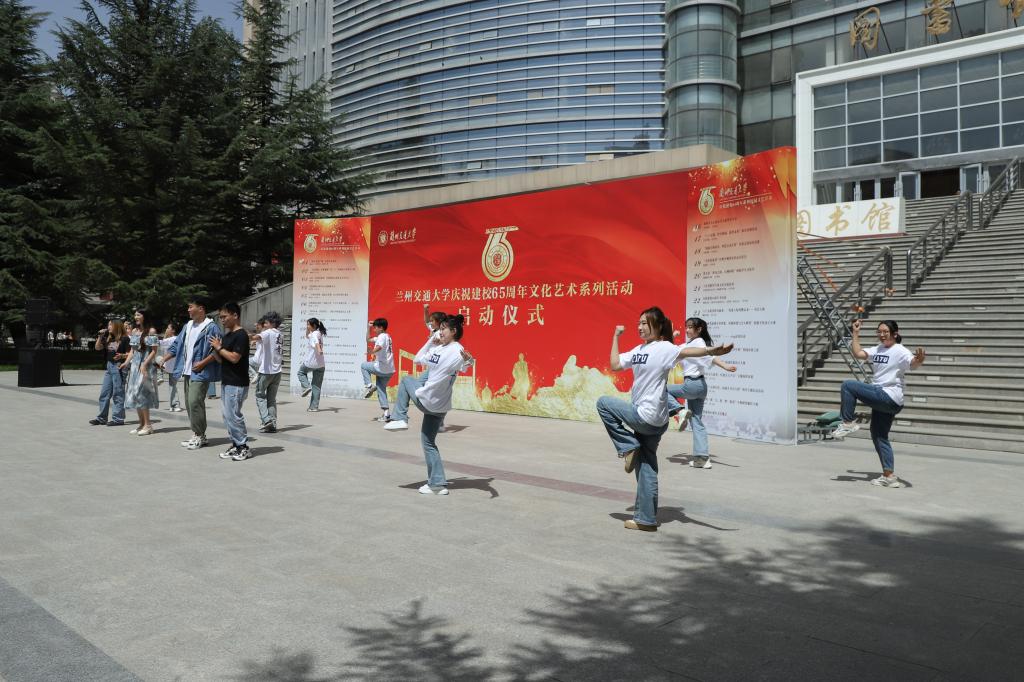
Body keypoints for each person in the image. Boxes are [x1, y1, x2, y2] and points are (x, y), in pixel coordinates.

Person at [597, 307, 733, 532]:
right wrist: (615, 337)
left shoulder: (665, 348)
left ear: (658, 326)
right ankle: (645, 519)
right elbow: (614, 365)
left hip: (645, 415)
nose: (640, 327)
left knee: (603, 403)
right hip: (657, 421)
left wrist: (713, 350)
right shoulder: (639, 350)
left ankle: (628, 446)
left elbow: (689, 352)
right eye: (639, 323)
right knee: (647, 466)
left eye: (645, 323)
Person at [831, 319, 926, 488]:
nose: (882, 335)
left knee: (848, 386)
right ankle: (889, 476)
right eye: (879, 332)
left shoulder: (900, 350)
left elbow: (913, 362)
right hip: (888, 401)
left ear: (895, 334)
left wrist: (919, 359)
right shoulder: (877, 349)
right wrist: (856, 333)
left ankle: (847, 422)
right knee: (879, 435)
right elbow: (858, 353)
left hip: (888, 395)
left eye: (885, 332)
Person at [388, 314, 473, 496]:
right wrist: (431, 342)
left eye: (443, 329)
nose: (440, 332)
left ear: (453, 331)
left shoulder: (456, 350)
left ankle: (400, 417)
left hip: (428, 400)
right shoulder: (440, 349)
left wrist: (468, 360)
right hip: (440, 407)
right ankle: (437, 484)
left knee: (406, 380)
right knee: (428, 443)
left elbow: (467, 364)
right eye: (439, 329)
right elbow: (417, 359)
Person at [665, 318, 737, 469]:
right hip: (701, 387)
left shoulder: (698, 343)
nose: (687, 330)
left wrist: (724, 365)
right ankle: (702, 458)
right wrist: (672, 337)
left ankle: (680, 410)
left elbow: (711, 356)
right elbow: (670, 352)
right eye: (686, 327)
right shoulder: (689, 345)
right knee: (697, 422)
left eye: (690, 327)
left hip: (691, 385)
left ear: (699, 330)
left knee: (661, 389)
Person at [160, 298, 221, 450]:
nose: (188, 310)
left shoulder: (211, 327)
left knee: (194, 402)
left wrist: (202, 363)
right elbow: (176, 345)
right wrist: (164, 359)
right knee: (189, 404)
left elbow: (217, 351)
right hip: (187, 371)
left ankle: (199, 435)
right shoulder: (188, 326)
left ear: (201, 309)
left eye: (190, 307)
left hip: (201, 371)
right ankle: (198, 434)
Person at [383, 305, 447, 431]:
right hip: (432, 369)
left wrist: (439, 341)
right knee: (430, 391)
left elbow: (446, 342)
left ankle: (400, 418)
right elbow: (426, 321)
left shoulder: (441, 333)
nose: (430, 322)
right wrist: (426, 311)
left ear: (439, 322)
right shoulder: (435, 330)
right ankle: (438, 423)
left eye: (433, 321)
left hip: (437, 369)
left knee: (410, 383)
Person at [211, 302, 252, 461]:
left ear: (235, 315)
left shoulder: (241, 335)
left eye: (224, 316)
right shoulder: (227, 336)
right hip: (227, 381)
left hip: (237, 382)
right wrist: (215, 350)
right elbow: (223, 360)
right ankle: (236, 444)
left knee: (233, 415)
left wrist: (219, 348)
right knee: (227, 415)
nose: (222, 320)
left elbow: (235, 358)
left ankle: (243, 447)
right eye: (220, 317)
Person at [123, 312, 160, 436]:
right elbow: (132, 351)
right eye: (135, 315)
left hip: (146, 367)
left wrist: (144, 364)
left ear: (144, 316)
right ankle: (141, 424)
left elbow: (154, 351)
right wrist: (126, 363)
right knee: (135, 395)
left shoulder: (151, 331)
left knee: (142, 395)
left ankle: (148, 425)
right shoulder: (135, 331)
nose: (136, 317)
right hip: (135, 367)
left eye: (138, 315)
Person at [90, 319, 130, 426]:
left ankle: (118, 419)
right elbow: (97, 347)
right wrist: (100, 336)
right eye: (108, 325)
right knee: (104, 393)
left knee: (118, 393)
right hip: (109, 366)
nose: (108, 327)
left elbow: (131, 353)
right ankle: (102, 418)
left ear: (117, 326)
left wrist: (122, 356)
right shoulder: (109, 338)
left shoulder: (125, 338)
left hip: (119, 367)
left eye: (111, 325)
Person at [252, 311, 284, 432]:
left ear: (272, 323)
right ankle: (273, 424)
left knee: (260, 395)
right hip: (277, 372)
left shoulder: (268, 332)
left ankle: (266, 420)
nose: (264, 325)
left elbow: (255, 337)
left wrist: (242, 333)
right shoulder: (280, 334)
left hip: (266, 371)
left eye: (266, 322)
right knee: (271, 399)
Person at [362, 317, 395, 422]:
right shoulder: (387, 336)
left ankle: (369, 386)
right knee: (381, 390)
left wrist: (372, 352)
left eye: (375, 327)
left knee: (364, 365)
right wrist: (368, 327)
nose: (374, 329)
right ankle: (386, 414)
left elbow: (379, 347)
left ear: (381, 328)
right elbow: (368, 340)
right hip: (389, 370)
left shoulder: (381, 336)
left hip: (381, 368)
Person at [296, 318, 326, 412]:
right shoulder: (319, 333)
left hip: (311, 362)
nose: (307, 326)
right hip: (321, 364)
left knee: (301, 372)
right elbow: (307, 335)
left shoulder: (314, 335)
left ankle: (306, 387)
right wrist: (308, 328)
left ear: (314, 325)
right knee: (316, 386)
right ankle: (313, 407)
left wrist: (319, 350)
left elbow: (316, 342)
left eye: (308, 325)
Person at [159, 323, 183, 411]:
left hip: (173, 367)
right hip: (171, 366)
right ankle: (173, 405)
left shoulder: (173, 339)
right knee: (172, 385)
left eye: (168, 328)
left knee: (173, 385)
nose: (166, 329)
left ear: (173, 330)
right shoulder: (171, 339)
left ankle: (175, 405)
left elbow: (158, 343)